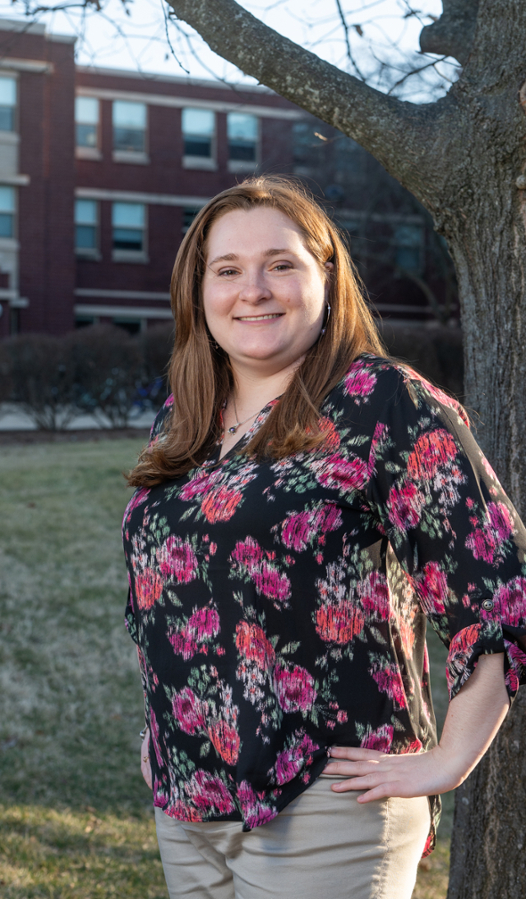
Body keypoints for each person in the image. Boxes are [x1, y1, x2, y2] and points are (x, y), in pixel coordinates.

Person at [122, 176, 526, 899]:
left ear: (325, 277)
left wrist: (449, 760)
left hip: (327, 803)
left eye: (281, 263)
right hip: (187, 804)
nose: (255, 289)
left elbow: (497, 581)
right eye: (228, 269)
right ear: (198, 289)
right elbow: (167, 597)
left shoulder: (379, 402)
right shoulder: (185, 418)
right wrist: (162, 730)